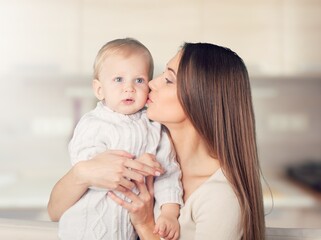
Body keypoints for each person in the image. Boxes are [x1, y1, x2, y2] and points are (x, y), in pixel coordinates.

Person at [48, 42, 266, 240]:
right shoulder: (149, 143)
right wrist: (82, 173)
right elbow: (55, 212)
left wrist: (145, 225)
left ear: (200, 100)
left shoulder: (221, 198)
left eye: (168, 80)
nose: (151, 83)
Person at [56, 38, 183, 240]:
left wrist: (169, 213)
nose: (129, 88)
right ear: (99, 89)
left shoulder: (155, 127)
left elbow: (168, 173)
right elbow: (87, 168)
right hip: (85, 231)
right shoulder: (93, 123)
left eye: (139, 80)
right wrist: (135, 168)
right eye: (118, 80)